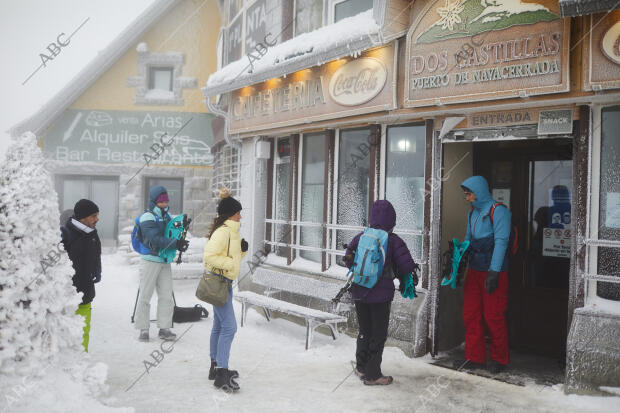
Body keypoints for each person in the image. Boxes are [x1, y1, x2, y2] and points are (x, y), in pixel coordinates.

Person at [344, 200, 418, 385]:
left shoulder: (362, 237)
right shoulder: (393, 240)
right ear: (392, 220)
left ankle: (361, 367)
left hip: (360, 291)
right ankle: (373, 374)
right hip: (380, 296)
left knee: (364, 331)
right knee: (378, 334)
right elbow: (406, 265)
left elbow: (347, 259)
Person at [459, 176, 511, 374]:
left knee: (493, 315)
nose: (467, 198)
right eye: (465, 194)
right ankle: (474, 357)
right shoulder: (472, 213)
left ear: (478, 192)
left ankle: (500, 359)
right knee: (470, 314)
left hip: (494, 272)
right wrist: (460, 261)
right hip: (475, 270)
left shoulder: (498, 211)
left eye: (468, 194)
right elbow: (467, 240)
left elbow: (501, 241)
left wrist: (494, 272)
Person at [204, 187, 248, 391]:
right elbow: (210, 258)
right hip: (218, 282)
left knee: (219, 326)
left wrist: (243, 252)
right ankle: (222, 372)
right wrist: (231, 263)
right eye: (238, 213)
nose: (240, 216)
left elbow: (230, 258)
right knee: (229, 327)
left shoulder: (232, 232)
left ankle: (215, 366)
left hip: (224, 283)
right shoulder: (223, 232)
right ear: (231, 214)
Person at [134, 186, 189, 342]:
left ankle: (164, 328)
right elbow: (155, 239)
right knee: (145, 295)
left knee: (166, 296)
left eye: (166, 201)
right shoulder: (147, 217)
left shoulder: (167, 216)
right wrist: (176, 244)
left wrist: (182, 229)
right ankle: (143, 329)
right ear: (154, 201)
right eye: (161, 201)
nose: (164, 204)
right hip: (150, 260)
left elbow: (173, 233)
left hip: (164, 261)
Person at [61, 199, 102, 352]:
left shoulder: (92, 233)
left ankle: (81, 360)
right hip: (68, 296)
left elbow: (97, 253)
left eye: (97, 215)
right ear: (82, 217)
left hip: (86, 290)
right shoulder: (66, 234)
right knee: (68, 333)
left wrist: (97, 269)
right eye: (93, 216)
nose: (97, 219)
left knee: (84, 330)